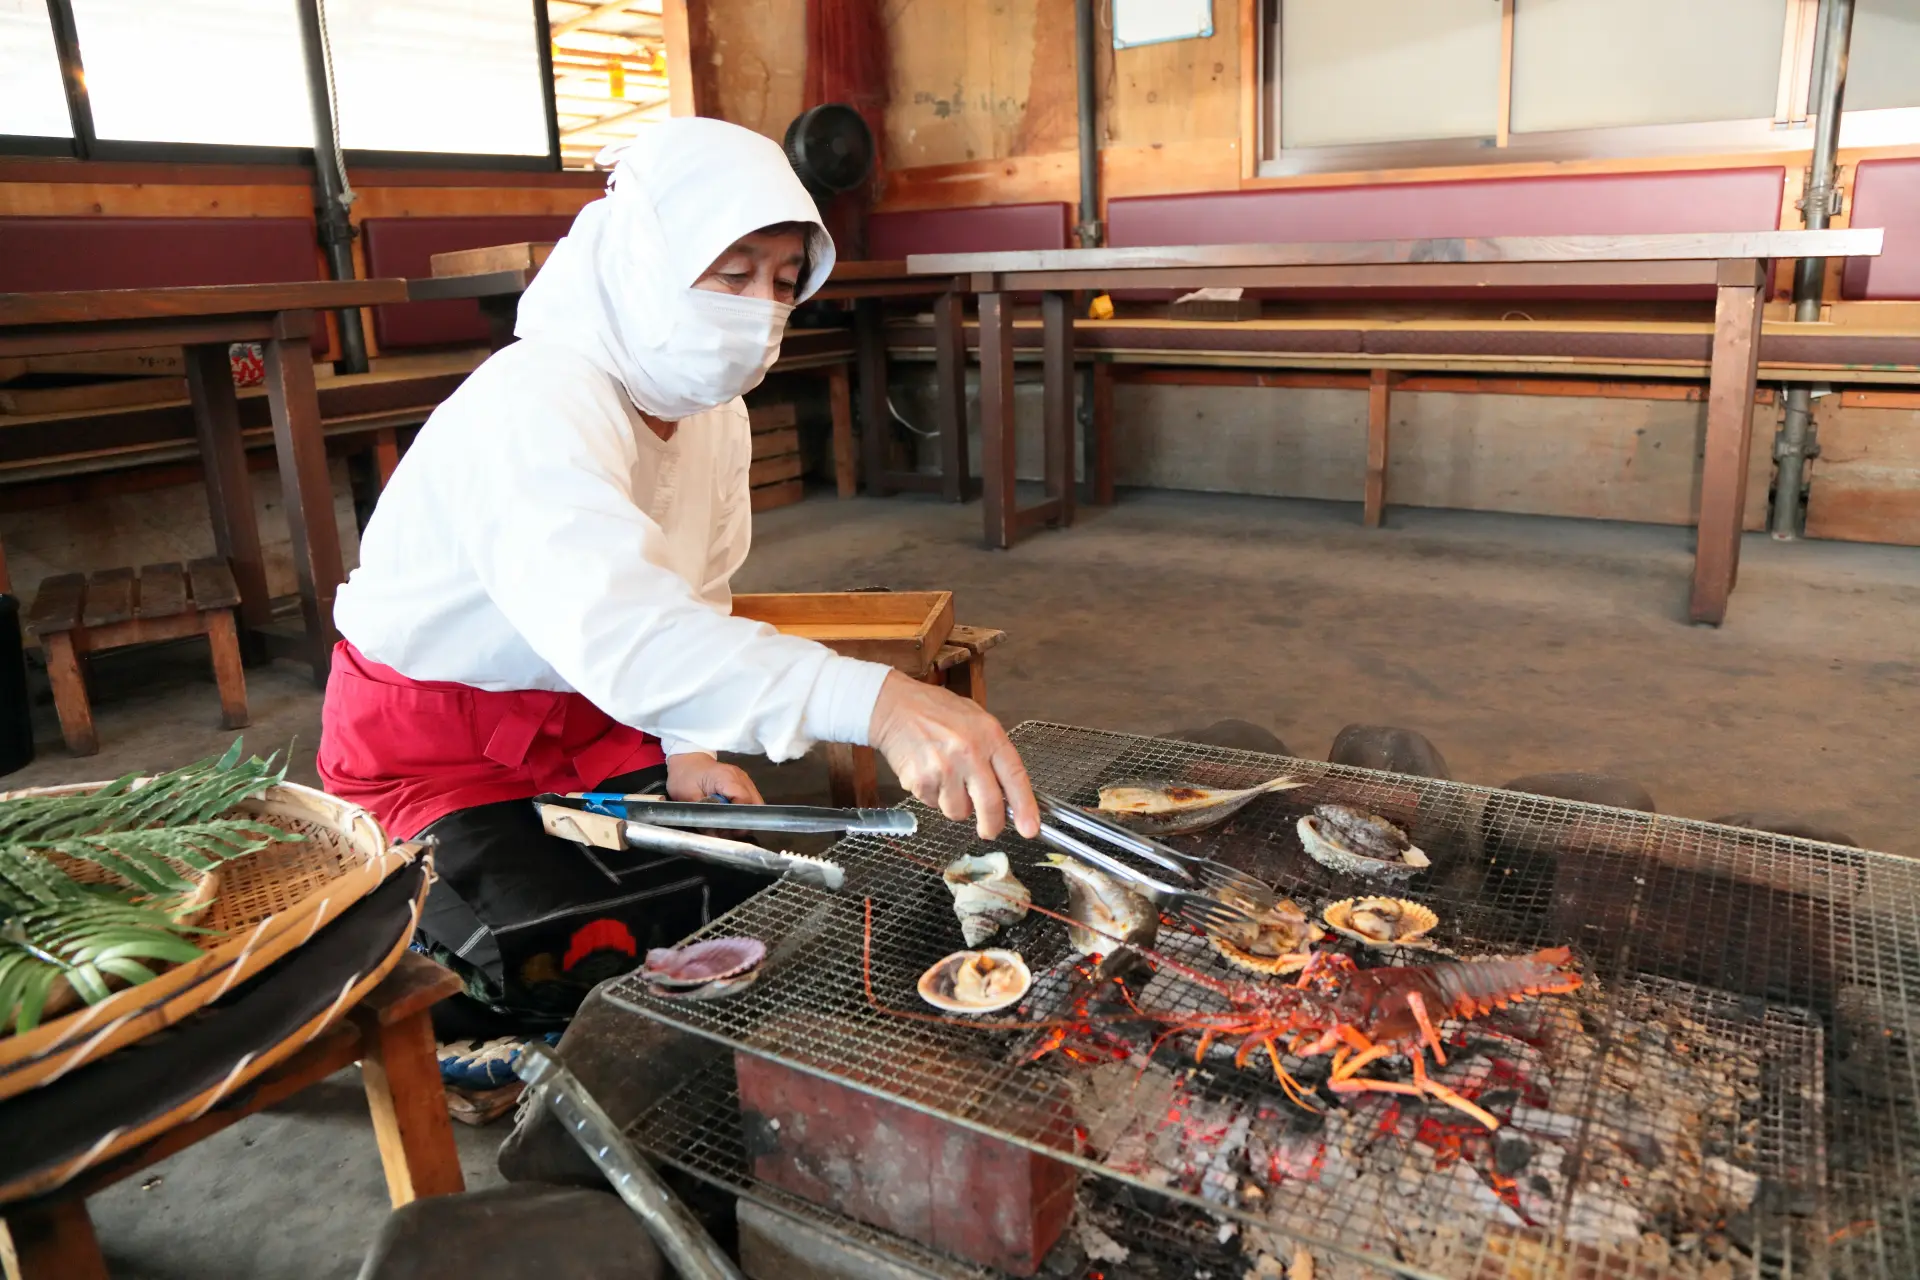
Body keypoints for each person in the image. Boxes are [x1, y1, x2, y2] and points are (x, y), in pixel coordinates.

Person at [317, 118, 1039, 1060]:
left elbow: (695, 592)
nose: (762, 310)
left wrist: (686, 746)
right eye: (733, 275)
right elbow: (629, 636)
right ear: (640, 259)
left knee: (752, 914)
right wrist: (884, 703)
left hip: (599, 729)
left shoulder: (711, 413)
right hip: (436, 754)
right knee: (552, 953)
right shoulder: (533, 402)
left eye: (786, 283)